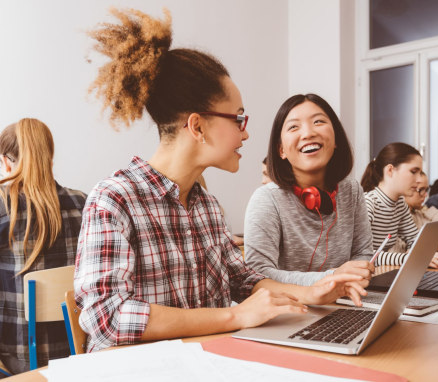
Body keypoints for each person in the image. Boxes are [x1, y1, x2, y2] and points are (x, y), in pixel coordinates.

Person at [74, 9, 366, 353]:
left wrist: (312, 291)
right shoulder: (115, 199)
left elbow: (242, 280)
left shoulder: (207, 206)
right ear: (197, 127)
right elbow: (107, 317)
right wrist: (233, 318)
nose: (246, 133)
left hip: (205, 363)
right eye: (238, 118)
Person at [244, 94, 374, 287]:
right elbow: (257, 273)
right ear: (281, 150)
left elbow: (363, 253)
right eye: (293, 127)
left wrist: (354, 276)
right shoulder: (267, 199)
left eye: (318, 121)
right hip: (292, 309)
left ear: (336, 138)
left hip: (346, 301)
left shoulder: (351, 190)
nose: (308, 133)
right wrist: (332, 277)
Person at [0, 119, 86, 375]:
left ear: (6, 162)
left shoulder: (4, 205)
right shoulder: (82, 202)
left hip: (17, 355)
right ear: (49, 156)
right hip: (77, 347)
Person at [361, 142, 438, 267]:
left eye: (420, 172)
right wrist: (410, 258)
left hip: (379, 273)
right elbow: (363, 256)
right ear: (390, 170)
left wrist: (423, 254)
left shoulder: (400, 204)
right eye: (413, 171)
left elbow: (415, 242)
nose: (418, 179)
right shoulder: (368, 203)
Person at [389, 172, 438, 268]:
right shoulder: (397, 218)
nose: (425, 195)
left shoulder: (419, 212)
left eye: (427, 190)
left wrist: (425, 209)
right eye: (420, 190)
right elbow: (406, 249)